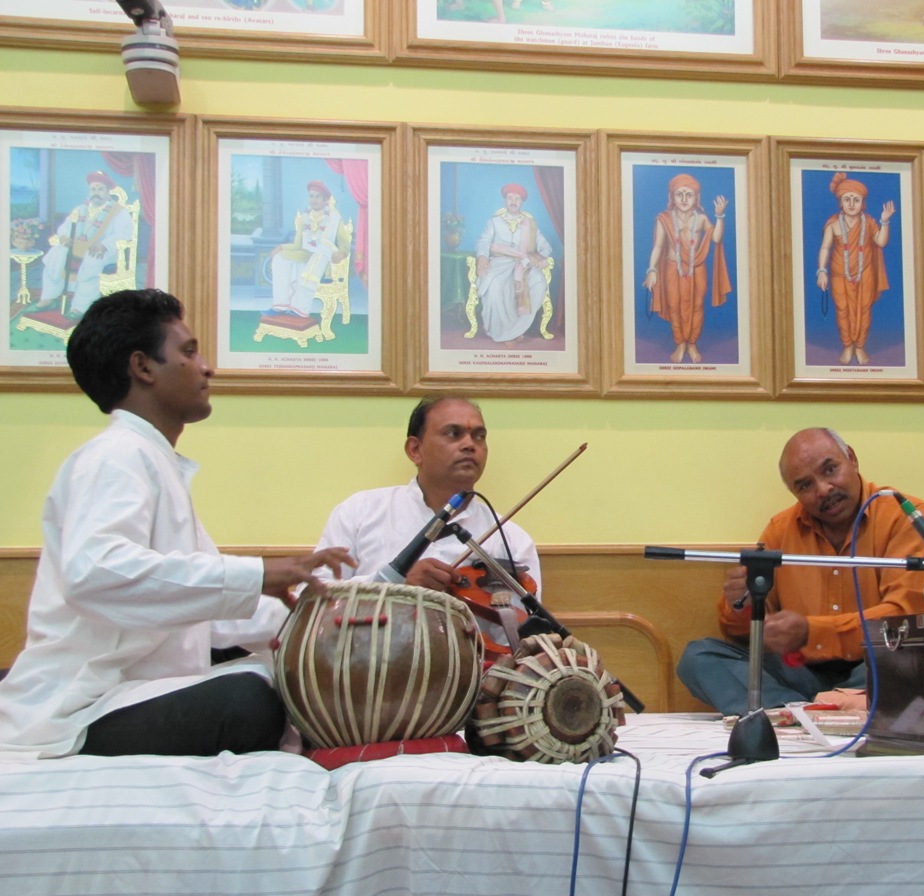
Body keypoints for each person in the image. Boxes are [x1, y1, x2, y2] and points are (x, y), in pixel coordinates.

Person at [0, 289, 354, 759]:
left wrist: (328, 615)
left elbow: (207, 610)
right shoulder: (116, 456)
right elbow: (95, 573)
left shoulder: (153, 463)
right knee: (249, 701)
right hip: (79, 708)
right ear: (143, 367)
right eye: (189, 352)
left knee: (278, 676)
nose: (207, 367)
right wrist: (259, 575)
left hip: (132, 695)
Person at [675, 428, 924, 716]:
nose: (823, 489)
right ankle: (806, 711)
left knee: (915, 661)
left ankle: (796, 709)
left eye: (830, 469)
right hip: (801, 670)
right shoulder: (780, 530)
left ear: (852, 458)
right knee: (699, 657)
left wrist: (812, 632)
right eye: (804, 485)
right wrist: (743, 604)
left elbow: (905, 618)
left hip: (874, 666)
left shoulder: (903, 515)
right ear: (794, 492)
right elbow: (746, 635)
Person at [314, 396, 541, 643]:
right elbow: (313, 596)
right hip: (367, 668)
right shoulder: (360, 512)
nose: (469, 445)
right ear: (415, 450)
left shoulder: (512, 538)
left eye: (479, 436)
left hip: (474, 675)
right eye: (453, 434)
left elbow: (520, 636)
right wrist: (395, 586)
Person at [643, 173, 731, 364]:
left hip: (696, 269)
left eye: (688, 194)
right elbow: (657, 246)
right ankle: (679, 344)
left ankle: (692, 343)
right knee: (674, 306)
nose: (683, 199)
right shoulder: (664, 218)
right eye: (679, 194)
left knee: (697, 306)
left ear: (697, 198)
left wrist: (720, 216)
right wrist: (651, 270)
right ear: (672, 197)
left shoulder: (700, 219)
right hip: (672, 269)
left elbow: (716, 238)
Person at [33, 171, 136, 320]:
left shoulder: (119, 212)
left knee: (92, 259)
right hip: (78, 246)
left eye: (100, 189)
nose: (96, 193)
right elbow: (66, 226)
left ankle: (80, 307)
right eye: (93, 189)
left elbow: (124, 234)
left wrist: (104, 244)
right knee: (55, 254)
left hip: (106, 251)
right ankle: (49, 296)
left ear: (108, 192)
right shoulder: (81, 209)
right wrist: (64, 237)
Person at [815, 173, 894, 366]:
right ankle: (847, 345)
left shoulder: (869, 222)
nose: (851, 204)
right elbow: (825, 247)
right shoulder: (833, 224)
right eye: (847, 199)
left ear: (862, 203)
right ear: (840, 203)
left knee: (863, 310)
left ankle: (859, 346)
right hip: (838, 274)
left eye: (856, 200)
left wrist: (884, 220)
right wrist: (821, 271)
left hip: (864, 273)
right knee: (842, 310)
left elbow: (881, 242)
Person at [473, 183, 554, 344]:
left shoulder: (530, 224)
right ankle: (502, 333)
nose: (513, 201)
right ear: (505, 200)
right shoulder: (494, 221)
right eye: (510, 197)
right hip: (499, 263)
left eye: (517, 198)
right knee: (494, 285)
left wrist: (535, 259)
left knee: (538, 284)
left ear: (522, 202)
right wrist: (482, 256)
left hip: (524, 265)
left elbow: (546, 247)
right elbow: (483, 241)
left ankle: (517, 330)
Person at [267, 179, 344, 320]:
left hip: (325, 255)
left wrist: (342, 252)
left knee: (315, 262)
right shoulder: (304, 218)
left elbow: (343, 241)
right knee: (280, 258)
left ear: (325, 199)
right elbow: (298, 245)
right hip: (305, 253)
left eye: (318, 196)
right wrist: (281, 247)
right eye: (311, 196)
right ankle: (280, 305)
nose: (314, 200)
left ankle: (299, 309)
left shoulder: (334, 217)